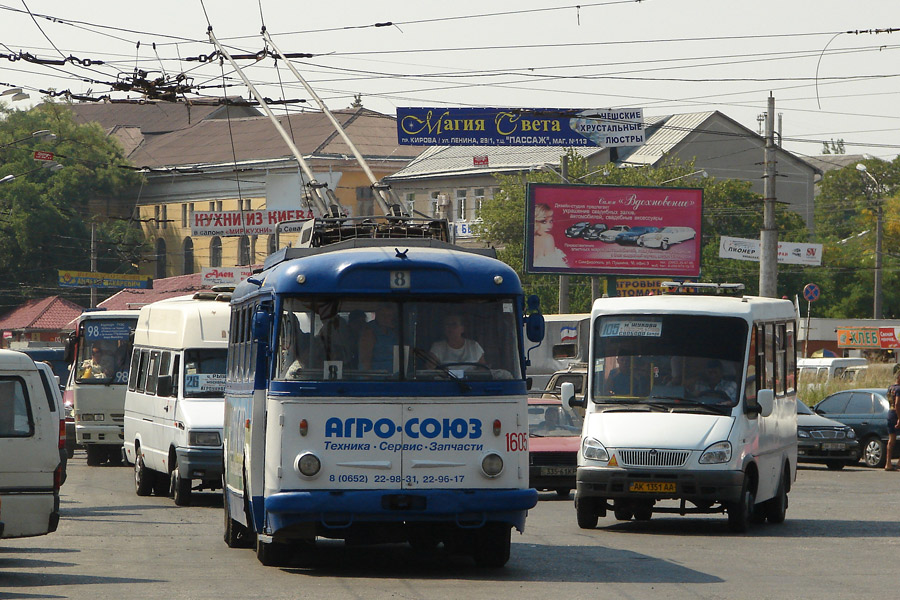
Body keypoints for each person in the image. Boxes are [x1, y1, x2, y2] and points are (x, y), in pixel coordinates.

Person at [358, 304, 399, 371]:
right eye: (382, 315)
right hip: (376, 377)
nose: (385, 318)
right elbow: (365, 360)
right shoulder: (369, 332)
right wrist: (368, 379)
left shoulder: (393, 333)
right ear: (377, 315)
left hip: (393, 376)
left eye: (389, 316)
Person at [533, 203, 568, 268]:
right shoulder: (548, 238)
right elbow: (552, 265)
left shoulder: (529, 240)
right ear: (535, 221)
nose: (549, 226)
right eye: (544, 222)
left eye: (551, 221)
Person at [885, 372, 900, 471]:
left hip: (890, 413)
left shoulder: (890, 388)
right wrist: (899, 418)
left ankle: (888, 463)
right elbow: (897, 403)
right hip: (896, 414)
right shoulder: (899, 389)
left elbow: (891, 402)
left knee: (891, 440)